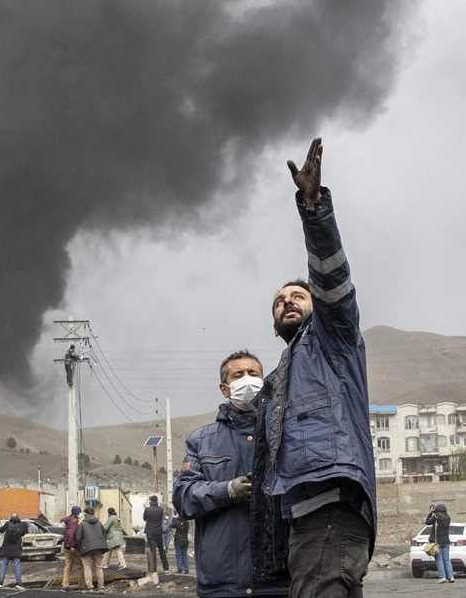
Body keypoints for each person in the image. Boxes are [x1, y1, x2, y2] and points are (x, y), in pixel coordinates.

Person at [252, 137, 376, 598]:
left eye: (297, 296)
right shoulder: (280, 377)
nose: (288, 302)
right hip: (303, 515)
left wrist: (313, 209)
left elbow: (332, 281)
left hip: (330, 508)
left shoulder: (332, 338)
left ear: (315, 308)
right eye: (280, 301)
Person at [174, 350, 289, 597]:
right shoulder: (201, 441)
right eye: (239, 375)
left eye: (254, 374)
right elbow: (183, 497)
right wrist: (225, 491)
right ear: (225, 389)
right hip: (222, 585)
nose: (248, 380)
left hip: (277, 582)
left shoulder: (285, 433)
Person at [75, 507, 108, 592]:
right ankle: (101, 587)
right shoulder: (99, 523)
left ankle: (90, 587)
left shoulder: (82, 524)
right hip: (98, 548)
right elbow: (104, 535)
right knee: (99, 567)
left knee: (87, 567)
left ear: (85, 514)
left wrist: (79, 548)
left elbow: (78, 538)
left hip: (86, 548)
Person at [0, 513, 28, 589]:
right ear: (18, 517)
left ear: (10, 517)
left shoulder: (7, 524)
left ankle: (0, 583)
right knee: (17, 566)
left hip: (6, 549)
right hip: (16, 549)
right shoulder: (21, 525)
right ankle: (18, 583)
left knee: (4, 565)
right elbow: (24, 533)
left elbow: (0, 530)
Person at [425, 504, 453, 583]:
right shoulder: (448, 518)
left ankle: (442, 577)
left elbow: (427, 522)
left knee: (439, 560)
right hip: (446, 541)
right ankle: (451, 577)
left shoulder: (436, 517)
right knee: (447, 559)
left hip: (438, 542)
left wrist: (431, 512)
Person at [61, 506, 85, 590]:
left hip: (66, 546)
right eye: (80, 512)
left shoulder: (68, 520)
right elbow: (71, 534)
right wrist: (72, 546)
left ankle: (65, 584)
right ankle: (82, 584)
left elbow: (65, 533)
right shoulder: (74, 521)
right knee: (81, 565)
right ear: (77, 513)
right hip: (71, 546)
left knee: (68, 565)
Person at [143, 495, 168, 572]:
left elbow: (144, 519)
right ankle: (166, 567)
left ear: (150, 501)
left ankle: (154, 569)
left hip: (150, 531)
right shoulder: (160, 509)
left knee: (152, 551)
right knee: (161, 550)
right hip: (158, 531)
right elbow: (160, 518)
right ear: (157, 501)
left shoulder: (147, 509)